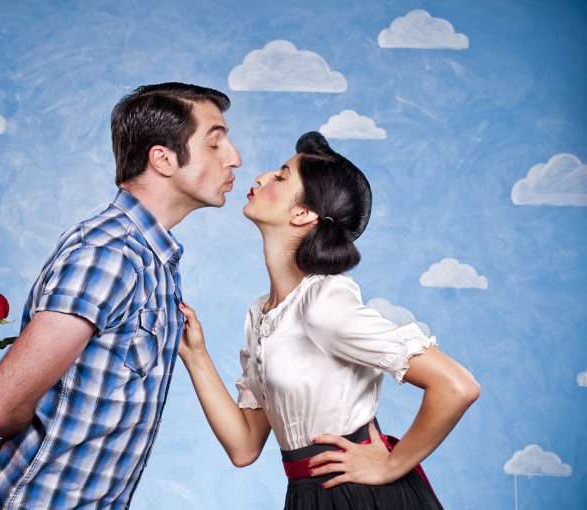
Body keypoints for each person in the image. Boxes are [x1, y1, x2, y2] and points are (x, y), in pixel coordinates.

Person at [0, 82, 242, 509]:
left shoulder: (150, 259)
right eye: (215, 143)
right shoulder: (110, 255)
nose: (234, 157)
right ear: (163, 159)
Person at [178, 131, 480, 509]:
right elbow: (243, 447)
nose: (261, 177)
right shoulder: (263, 315)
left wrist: (390, 466)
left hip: (359, 496)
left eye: (281, 176)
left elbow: (456, 386)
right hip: (308, 497)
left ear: (303, 214)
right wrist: (195, 355)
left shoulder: (321, 303)